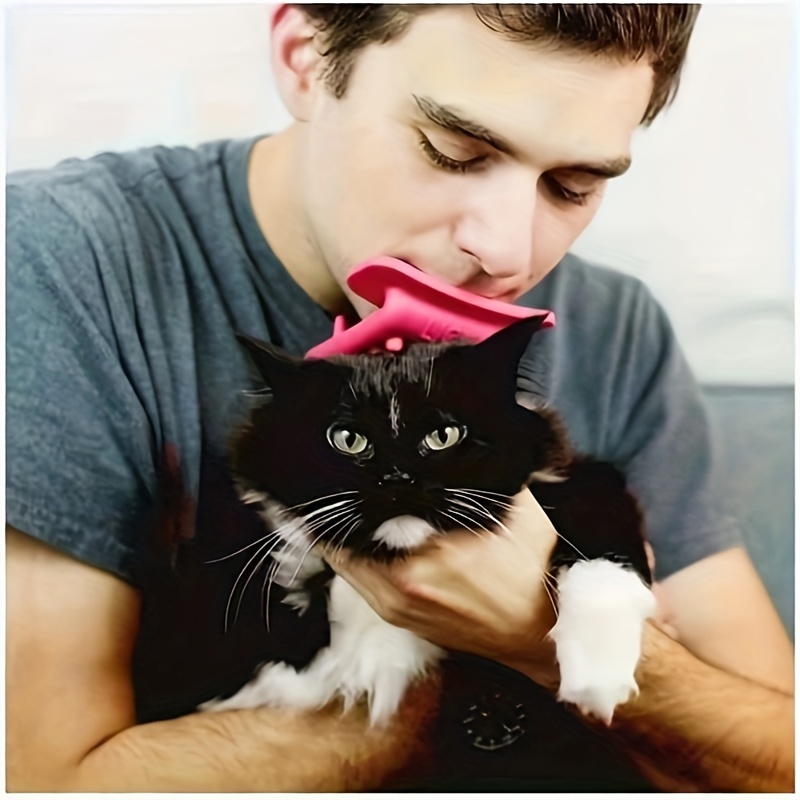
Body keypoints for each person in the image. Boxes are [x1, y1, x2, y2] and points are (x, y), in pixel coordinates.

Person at [6, 3, 794, 792]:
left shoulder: (617, 327)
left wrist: (537, 633)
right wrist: (481, 663)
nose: (508, 250)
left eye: (572, 186)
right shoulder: (58, 264)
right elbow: (45, 781)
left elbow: (776, 759)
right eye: (453, 152)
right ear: (306, 59)